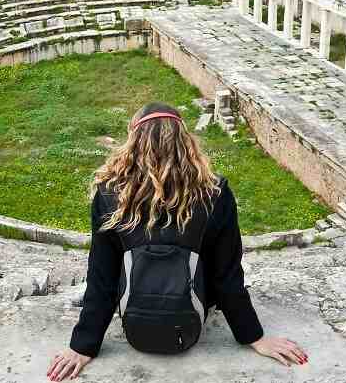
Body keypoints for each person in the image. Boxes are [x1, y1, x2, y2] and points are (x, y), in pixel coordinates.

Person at [47, 103, 309, 381]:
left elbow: (102, 276)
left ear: (132, 139)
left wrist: (83, 345)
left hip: (134, 317)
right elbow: (227, 277)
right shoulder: (215, 194)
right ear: (186, 141)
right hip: (192, 318)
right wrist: (254, 337)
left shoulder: (109, 194)